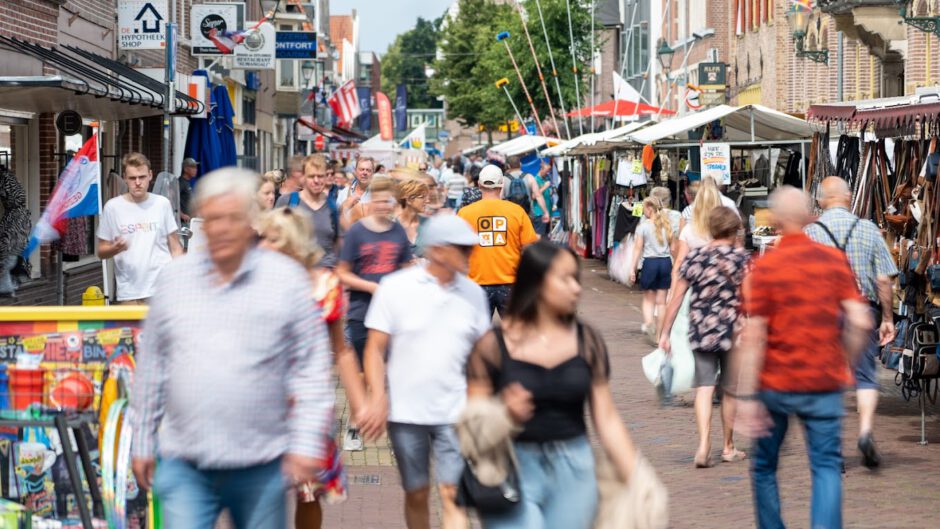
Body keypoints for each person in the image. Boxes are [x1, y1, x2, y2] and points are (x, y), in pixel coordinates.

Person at [130, 168, 335, 529]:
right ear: (200, 224)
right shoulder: (175, 281)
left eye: (231, 218)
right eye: (212, 218)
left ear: (250, 222)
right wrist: (142, 441)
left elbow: (311, 370)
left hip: (260, 464)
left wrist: (306, 442)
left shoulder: (284, 280)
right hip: (185, 462)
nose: (221, 228)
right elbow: (151, 368)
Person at [466, 239, 640, 529]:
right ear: (536, 283)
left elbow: (607, 418)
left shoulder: (587, 341)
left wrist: (635, 476)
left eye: (577, 279)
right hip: (511, 467)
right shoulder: (491, 345)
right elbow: (469, 423)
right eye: (565, 279)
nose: (576, 288)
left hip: (573, 467)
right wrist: (502, 415)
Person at [733, 186, 873, 529]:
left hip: (775, 382)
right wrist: (845, 361)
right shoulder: (832, 261)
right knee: (826, 466)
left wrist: (746, 395)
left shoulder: (765, 268)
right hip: (823, 381)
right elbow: (859, 319)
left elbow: (755, 334)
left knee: (764, 466)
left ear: (776, 221)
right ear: (811, 215)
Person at [359, 214, 490, 529]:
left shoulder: (474, 293)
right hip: (406, 413)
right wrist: (377, 398)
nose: (472, 255)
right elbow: (374, 349)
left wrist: (482, 403)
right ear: (439, 250)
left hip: (456, 412)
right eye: (465, 249)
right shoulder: (395, 288)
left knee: (452, 492)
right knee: (416, 492)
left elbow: (483, 356)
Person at [256, 207, 367, 529]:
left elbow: (342, 351)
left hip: (308, 404)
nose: (262, 245)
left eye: (271, 239)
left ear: (294, 243)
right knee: (261, 494)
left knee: (309, 492)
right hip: (260, 406)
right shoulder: (250, 284)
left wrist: (360, 404)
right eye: (261, 237)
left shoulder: (325, 285)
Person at [805, 176, 897, 468]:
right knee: (866, 375)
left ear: (821, 200)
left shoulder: (809, 233)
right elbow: (883, 279)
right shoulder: (868, 229)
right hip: (861, 309)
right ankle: (866, 431)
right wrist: (887, 318)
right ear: (848, 198)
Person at [659, 207, 749, 468]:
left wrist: (664, 333)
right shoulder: (740, 259)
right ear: (733, 231)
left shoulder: (696, 257)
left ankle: (703, 445)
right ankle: (728, 447)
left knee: (704, 387)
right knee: (731, 390)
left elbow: (676, 298)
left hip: (701, 328)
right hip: (732, 330)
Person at [337, 176, 413, 450]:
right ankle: (356, 424)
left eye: (388, 201)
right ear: (371, 201)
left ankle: (383, 423)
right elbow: (342, 273)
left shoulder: (398, 233)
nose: (384, 206)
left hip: (391, 314)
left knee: (386, 371)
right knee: (360, 372)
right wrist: (371, 286)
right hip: (361, 310)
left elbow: (405, 268)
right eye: (379, 201)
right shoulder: (357, 232)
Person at [97, 152, 183, 304]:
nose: (137, 182)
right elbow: (101, 251)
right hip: (129, 292)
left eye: (142, 177)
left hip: (163, 289)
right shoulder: (113, 207)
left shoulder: (162, 204)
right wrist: (115, 248)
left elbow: (175, 247)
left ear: (150, 175)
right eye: (132, 178)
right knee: (130, 329)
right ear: (125, 177)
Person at [458, 164, 539, 316]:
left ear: (479, 185)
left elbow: (457, 251)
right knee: (515, 336)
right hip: (510, 282)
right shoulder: (517, 211)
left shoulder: (464, 213)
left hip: (476, 283)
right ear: (501, 185)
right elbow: (529, 248)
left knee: (478, 337)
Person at [274, 154, 340, 268]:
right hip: (294, 272)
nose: (316, 180)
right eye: (311, 176)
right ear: (303, 177)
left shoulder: (333, 207)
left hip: (324, 275)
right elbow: (273, 237)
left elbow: (337, 242)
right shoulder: (288, 202)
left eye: (320, 176)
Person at [628, 197, 673, 342]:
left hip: (650, 263)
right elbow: (673, 248)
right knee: (662, 302)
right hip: (666, 263)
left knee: (648, 299)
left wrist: (632, 269)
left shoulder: (643, 227)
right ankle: (660, 336)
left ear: (649, 208)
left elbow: (637, 249)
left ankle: (649, 323)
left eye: (643, 209)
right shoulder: (666, 224)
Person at [339, 157, 376, 230]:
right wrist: (345, 205)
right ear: (355, 171)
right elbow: (336, 218)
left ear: (372, 173)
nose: (365, 173)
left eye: (368, 170)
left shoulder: (377, 194)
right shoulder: (344, 193)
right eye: (361, 169)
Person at [396, 178, 431, 255]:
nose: (427, 201)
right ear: (408, 200)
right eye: (422, 197)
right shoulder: (391, 226)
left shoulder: (429, 224)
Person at [531, 160, 554, 236]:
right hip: (539, 213)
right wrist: (544, 187)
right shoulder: (535, 180)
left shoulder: (545, 179)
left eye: (549, 171)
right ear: (541, 169)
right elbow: (533, 196)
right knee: (539, 236)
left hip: (547, 212)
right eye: (546, 171)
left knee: (546, 236)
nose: (548, 173)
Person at [178, 157, 199, 224]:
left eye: (196, 167)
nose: (196, 170)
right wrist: (181, 215)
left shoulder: (187, 182)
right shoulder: (180, 182)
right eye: (193, 167)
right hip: (183, 223)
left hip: (190, 221)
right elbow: (171, 199)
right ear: (186, 169)